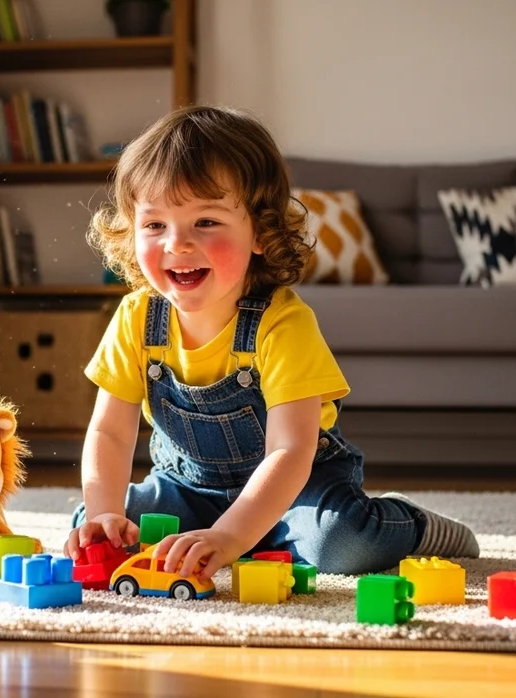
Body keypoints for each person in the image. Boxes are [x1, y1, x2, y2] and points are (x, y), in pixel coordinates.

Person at [65, 105, 479, 583]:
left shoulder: (283, 324)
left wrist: (231, 537)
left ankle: (411, 525)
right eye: (155, 225)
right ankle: (234, 535)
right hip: (189, 487)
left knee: (342, 543)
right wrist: (103, 514)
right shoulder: (137, 318)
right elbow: (110, 434)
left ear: (260, 231)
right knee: (93, 526)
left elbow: (289, 451)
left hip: (299, 487)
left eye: (206, 222)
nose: (177, 244)